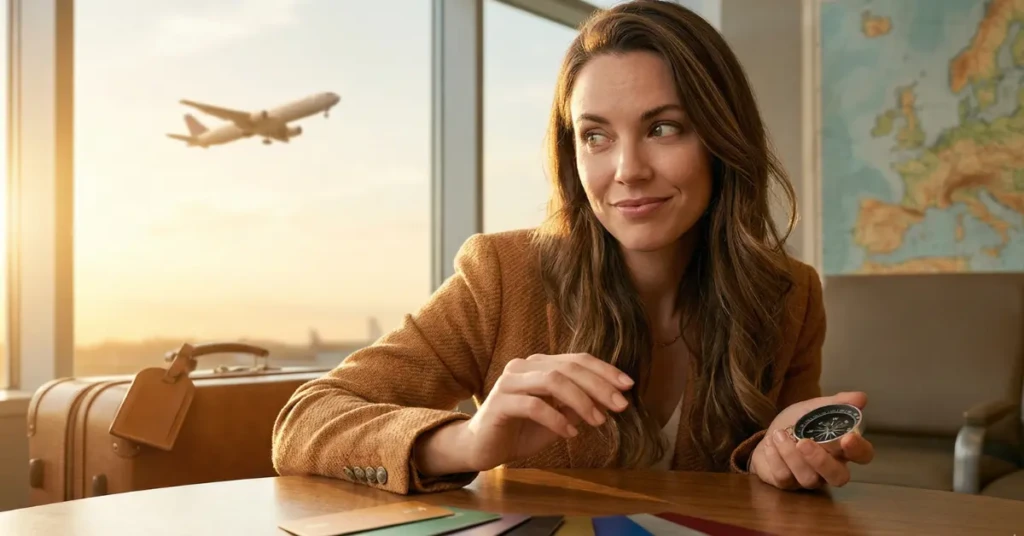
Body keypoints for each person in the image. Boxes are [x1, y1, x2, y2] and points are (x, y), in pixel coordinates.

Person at [271, 0, 874, 495]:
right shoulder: (502, 275)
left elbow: (773, 472)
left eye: (664, 128)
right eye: (596, 136)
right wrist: (470, 440)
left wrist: (779, 461)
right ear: (572, 154)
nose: (627, 170)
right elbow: (303, 422)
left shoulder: (789, 295)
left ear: (721, 138)